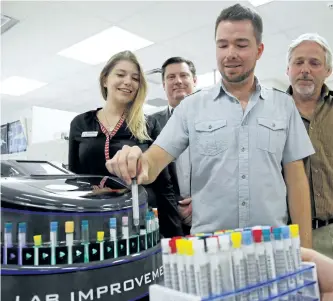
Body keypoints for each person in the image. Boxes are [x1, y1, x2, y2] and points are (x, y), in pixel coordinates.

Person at [105, 4, 314, 247]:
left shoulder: (284, 105)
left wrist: (305, 249)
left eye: (241, 44)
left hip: (271, 246)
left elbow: (297, 181)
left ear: (259, 50)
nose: (230, 53)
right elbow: (152, 162)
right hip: (210, 249)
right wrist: (136, 161)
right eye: (222, 45)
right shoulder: (191, 107)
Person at [68, 50, 183, 238]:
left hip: (140, 220)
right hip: (94, 221)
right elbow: (75, 180)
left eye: (135, 78)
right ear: (105, 80)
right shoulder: (80, 123)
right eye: (120, 74)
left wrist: (174, 236)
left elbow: (165, 186)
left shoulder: (149, 125)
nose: (128, 81)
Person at [286, 33, 333, 258]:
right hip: (287, 237)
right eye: (298, 62)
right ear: (288, 70)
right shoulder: (269, 114)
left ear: (328, 72)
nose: (305, 69)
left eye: (314, 63)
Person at [153, 57, 197, 234]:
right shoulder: (150, 124)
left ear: (194, 80)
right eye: (171, 77)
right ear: (164, 85)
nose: (178, 81)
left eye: (183, 75)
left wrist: (202, 201)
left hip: (213, 216)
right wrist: (173, 205)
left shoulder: (215, 119)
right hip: (169, 221)